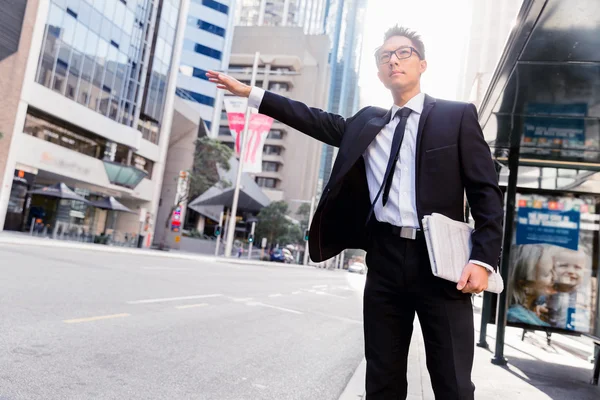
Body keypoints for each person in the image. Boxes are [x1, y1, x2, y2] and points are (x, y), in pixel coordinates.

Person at [207, 25, 503, 400]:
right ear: (380, 73)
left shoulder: (456, 116)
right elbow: (311, 117)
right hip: (384, 261)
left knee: (453, 383)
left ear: (423, 64)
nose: (393, 60)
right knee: (382, 380)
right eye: (385, 56)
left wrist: (483, 259)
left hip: (441, 264)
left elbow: (485, 192)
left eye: (403, 53)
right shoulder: (367, 123)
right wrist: (252, 94)